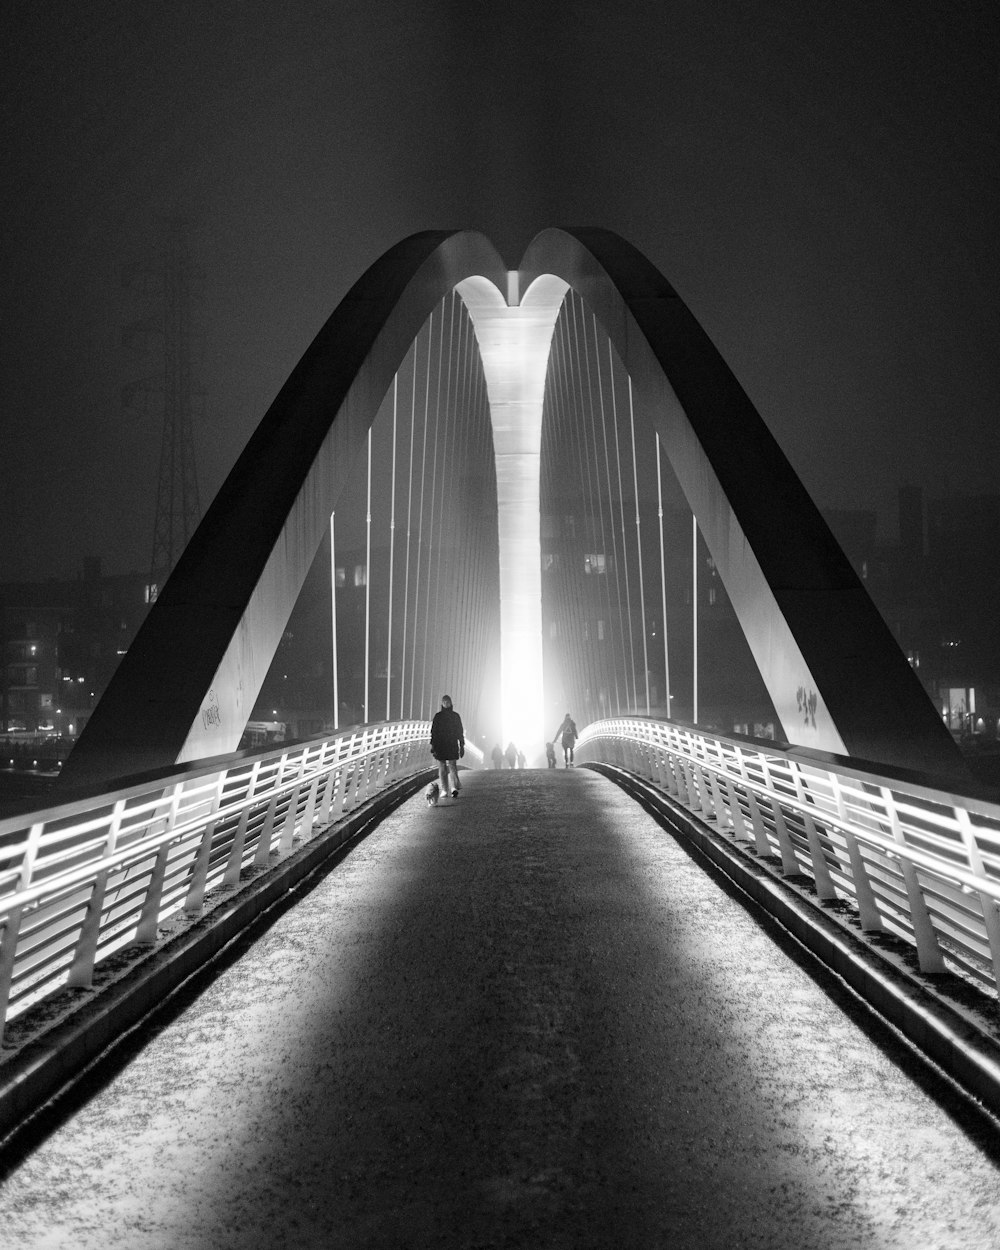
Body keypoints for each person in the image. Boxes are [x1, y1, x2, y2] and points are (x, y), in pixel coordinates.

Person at [430, 694, 465, 798]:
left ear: (450, 703)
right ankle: (445, 789)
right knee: (442, 768)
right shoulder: (438, 716)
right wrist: (433, 745)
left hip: (451, 744)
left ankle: (453, 788)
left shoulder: (455, 716)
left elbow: (460, 731)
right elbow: (434, 732)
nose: (446, 704)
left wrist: (462, 745)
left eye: (448, 702)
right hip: (440, 745)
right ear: (442, 703)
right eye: (445, 702)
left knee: (452, 766)